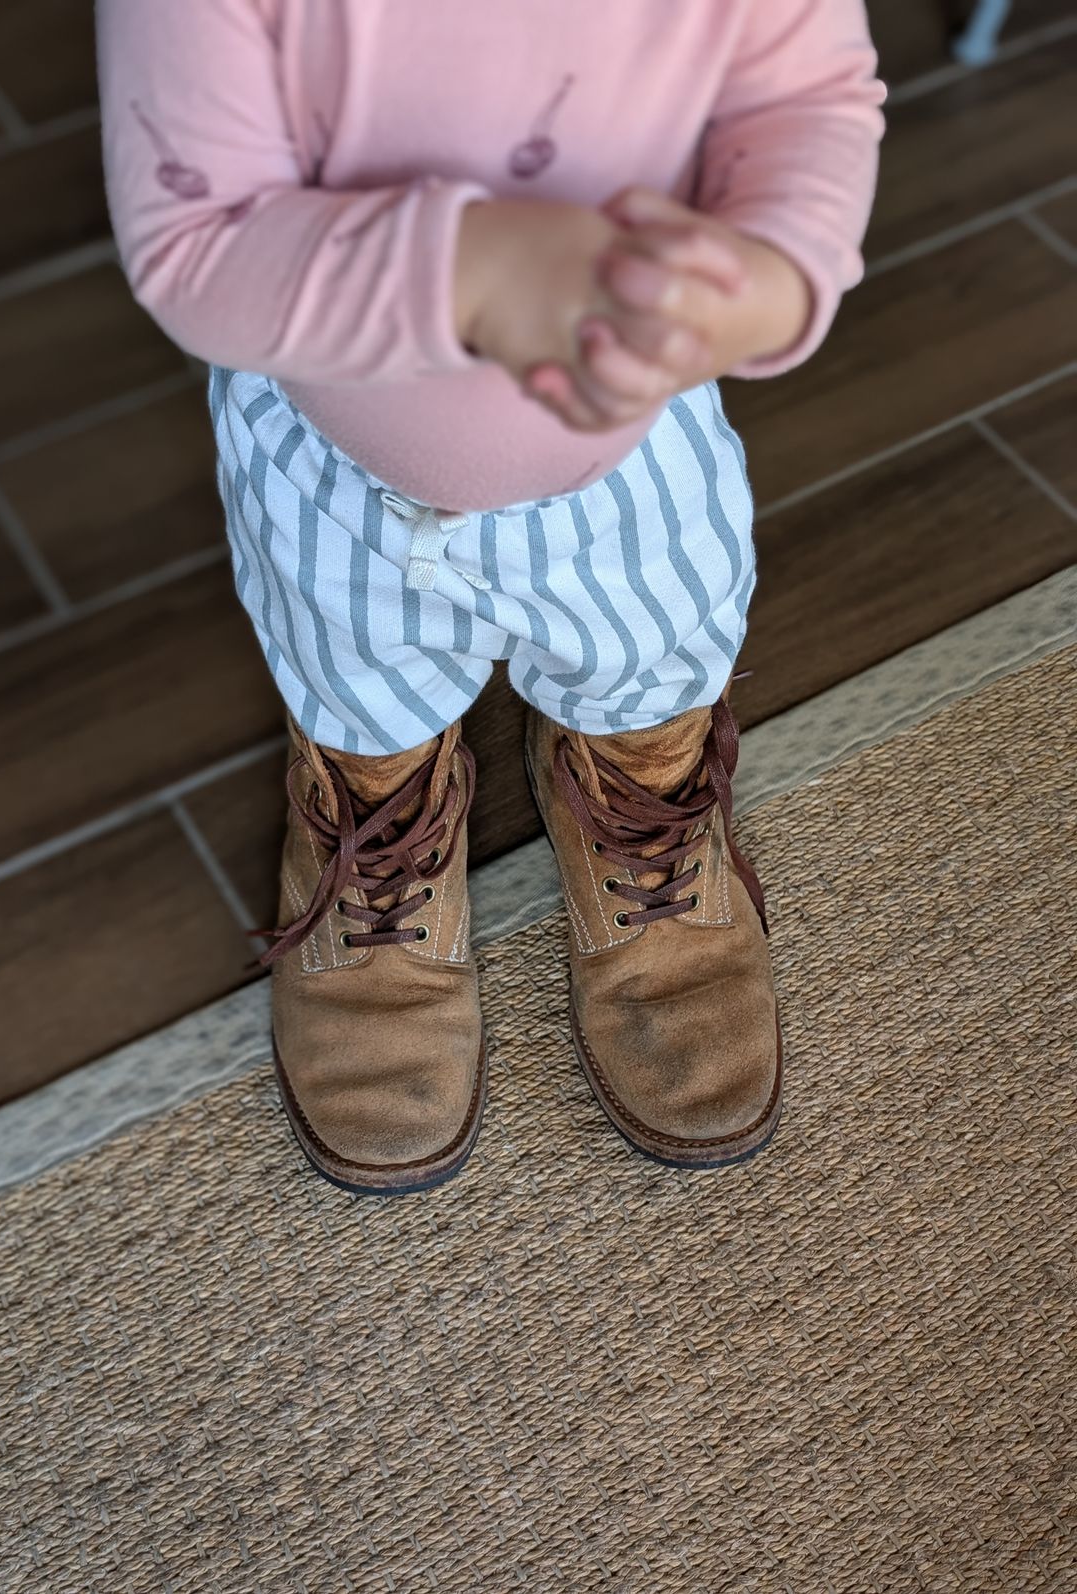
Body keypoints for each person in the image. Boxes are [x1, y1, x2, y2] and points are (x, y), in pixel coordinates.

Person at [96, 0, 885, 1194]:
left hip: (635, 432)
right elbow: (195, 242)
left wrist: (768, 280)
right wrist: (476, 266)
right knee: (357, 672)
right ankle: (378, 812)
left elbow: (803, 99)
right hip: (329, 447)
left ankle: (637, 792)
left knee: (654, 647)